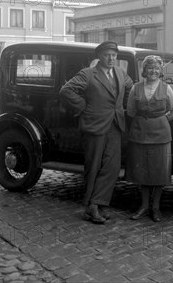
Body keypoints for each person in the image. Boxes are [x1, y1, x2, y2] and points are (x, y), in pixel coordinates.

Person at [59, 41, 133, 224]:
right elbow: (66, 90)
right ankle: (91, 207)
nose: (111, 58)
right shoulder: (88, 74)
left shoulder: (121, 73)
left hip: (115, 125)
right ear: (99, 56)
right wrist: (83, 106)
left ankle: (99, 202)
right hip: (94, 125)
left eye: (114, 55)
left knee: (113, 167)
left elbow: (132, 89)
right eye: (107, 55)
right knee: (93, 167)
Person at [126, 55, 173, 222]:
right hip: (139, 134)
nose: (153, 71)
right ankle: (143, 206)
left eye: (156, 68)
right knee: (142, 171)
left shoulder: (166, 88)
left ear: (160, 70)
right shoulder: (136, 88)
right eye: (150, 68)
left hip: (161, 136)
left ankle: (155, 208)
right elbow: (130, 111)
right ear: (144, 70)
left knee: (158, 171)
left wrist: (160, 120)